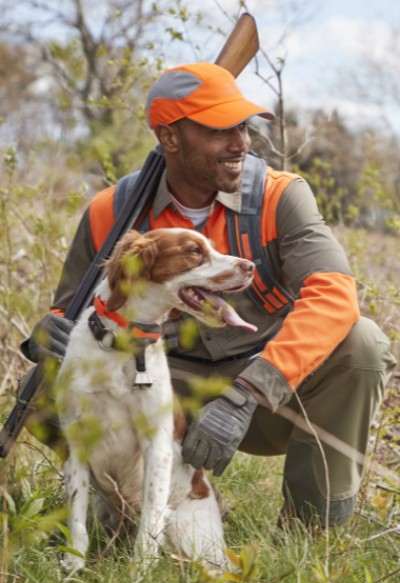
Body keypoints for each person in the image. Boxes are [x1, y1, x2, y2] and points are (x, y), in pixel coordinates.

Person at [21, 62, 396, 527]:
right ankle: (118, 512)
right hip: (152, 386)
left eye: (242, 126)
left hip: (262, 395)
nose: (242, 143)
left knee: (363, 345)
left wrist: (248, 392)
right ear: (170, 138)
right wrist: (50, 330)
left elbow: (336, 296)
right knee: (43, 390)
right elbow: (75, 309)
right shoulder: (110, 212)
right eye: (221, 130)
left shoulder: (281, 197)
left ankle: (312, 530)